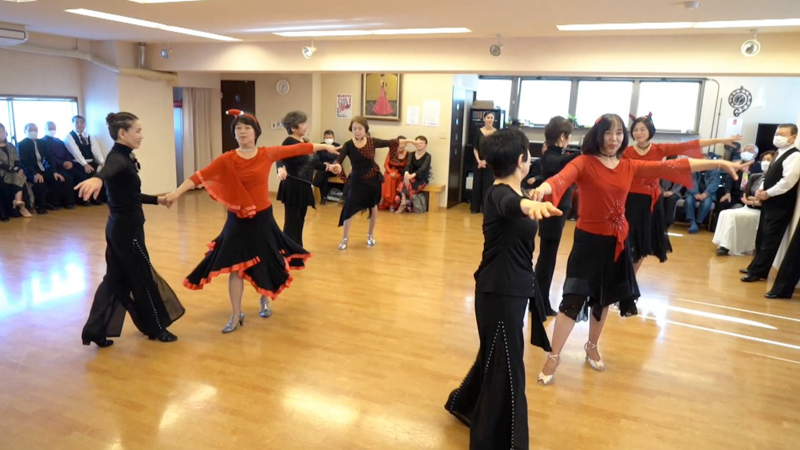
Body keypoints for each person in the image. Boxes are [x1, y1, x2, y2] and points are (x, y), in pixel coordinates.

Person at [532, 113, 750, 385]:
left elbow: (674, 165)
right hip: (587, 242)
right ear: (598, 135)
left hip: (616, 242)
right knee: (572, 300)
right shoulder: (584, 162)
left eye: (618, 133)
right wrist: (543, 188)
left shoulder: (628, 165)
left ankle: (592, 346)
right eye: (608, 133)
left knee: (603, 299)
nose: (614, 139)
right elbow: (561, 179)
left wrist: (718, 163)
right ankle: (554, 356)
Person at [165, 110, 338, 331]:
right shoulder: (227, 159)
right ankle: (236, 314)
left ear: (256, 132)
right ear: (234, 134)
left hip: (262, 218)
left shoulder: (266, 153)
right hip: (237, 220)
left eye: (247, 127)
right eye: (238, 128)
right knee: (235, 266)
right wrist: (176, 193)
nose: (242, 131)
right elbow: (200, 176)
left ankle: (264, 299)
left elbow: (299, 148)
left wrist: (326, 147)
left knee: (265, 261)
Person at [445, 128, 560, 450]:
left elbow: (518, 200)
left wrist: (531, 200)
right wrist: (528, 207)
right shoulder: (499, 194)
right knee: (508, 367)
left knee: (496, 356)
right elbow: (510, 205)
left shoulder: (518, 190)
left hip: (510, 288)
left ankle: (465, 405)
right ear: (522, 159)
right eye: (528, 154)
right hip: (499, 291)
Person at [75, 112, 184, 347]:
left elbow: (130, 195)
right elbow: (109, 168)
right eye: (138, 131)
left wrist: (157, 200)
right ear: (123, 133)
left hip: (119, 229)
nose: (141, 136)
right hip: (127, 232)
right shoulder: (118, 158)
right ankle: (155, 328)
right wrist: (98, 178)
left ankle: (95, 330)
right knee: (142, 278)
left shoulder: (123, 157)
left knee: (115, 279)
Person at [623, 114, 740, 270]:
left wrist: (719, 140)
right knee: (627, 239)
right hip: (630, 199)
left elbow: (690, 145)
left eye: (642, 129)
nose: (638, 133)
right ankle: (625, 275)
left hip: (651, 200)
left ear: (650, 130)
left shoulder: (659, 149)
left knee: (643, 240)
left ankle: (632, 277)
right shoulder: (625, 151)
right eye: (635, 130)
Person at [328, 116, 424, 250]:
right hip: (356, 181)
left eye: (360, 128)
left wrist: (411, 141)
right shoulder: (348, 145)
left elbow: (392, 142)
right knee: (349, 208)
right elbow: (338, 160)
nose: (357, 131)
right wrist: (336, 166)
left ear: (365, 129)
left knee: (373, 207)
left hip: (373, 179)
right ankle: (344, 238)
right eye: (354, 129)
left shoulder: (372, 142)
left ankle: (370, 235)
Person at [533, 116, 580, 317]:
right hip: (552, 213)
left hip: (557, 213)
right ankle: (538, 303)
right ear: (562, 137)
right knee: (546, 260)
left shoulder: (556, 155)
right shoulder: (550, 157)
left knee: (548, 259)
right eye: (568, 136)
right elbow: (561, 162)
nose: (569, 140)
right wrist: (583, 153)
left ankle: (539, 302)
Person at [741, 124, 799, 282]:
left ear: (793, 137)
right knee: (762, 236)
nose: (778, 137)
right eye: (777, 133)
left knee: (770, 239)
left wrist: (768, 193)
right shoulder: (779, 153)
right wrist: (761, 190)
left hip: (780, 204)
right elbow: (770, 176)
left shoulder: (795, 156)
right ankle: (755, 266)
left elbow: (788, 181)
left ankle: (758, 272)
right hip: (768, 202)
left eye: (782, 134)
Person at [275, 111, 336, 248]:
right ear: (293, 128)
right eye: (302, 124)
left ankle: (298, 249)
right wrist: (280, 168)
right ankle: (287, 250)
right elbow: (279, 156)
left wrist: (329, 167)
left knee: (300, 221)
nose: (305, 126)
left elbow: (314, 164)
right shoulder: (289, 142)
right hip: (293, 186)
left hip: (304, 186)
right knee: (292, 222)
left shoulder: (305, 142)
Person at [713, 152, 774, 256]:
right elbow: (746, 194)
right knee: (724, 213)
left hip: (760, 210)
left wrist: (753, 200)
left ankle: (726, 247)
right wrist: (754, 199)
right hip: (746, 205)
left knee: (732, 216)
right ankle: (723, 243)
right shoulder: (755, 176)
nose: (765, 162)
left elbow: (765, 200)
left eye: (768, 160)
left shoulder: (773, 180)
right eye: (763, 159)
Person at [18, 123, 74, 212]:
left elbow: (49, 157)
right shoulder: (21, 144)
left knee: (56, 179)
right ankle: (40, 206)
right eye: (31, 130)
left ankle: (53, 203)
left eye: (35, 130)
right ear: (25, 131)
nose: (33, 132)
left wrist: (54, 171)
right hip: (30, 171)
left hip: (43, 168)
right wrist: (35, 173)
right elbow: (24, 162)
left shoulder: (42, 143)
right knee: (40, 183)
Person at [43, 121, 90, 206]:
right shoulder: (42, 142)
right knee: (68, 178)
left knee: (81, 176)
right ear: (45, 129)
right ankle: (69, 202)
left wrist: (69, 162)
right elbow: (49, 157)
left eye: (54, 128)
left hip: (67, 165)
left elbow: (67, 152)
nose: (52, 130)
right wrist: (62, 163)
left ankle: (81, 199)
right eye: (50, 128)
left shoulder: (58, 140)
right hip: (54, 167)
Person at [0, 123, 32, 219]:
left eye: (3, 131)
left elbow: (17, 159)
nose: (2, 133)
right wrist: (12, 169)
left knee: (19, 175)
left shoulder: (10, 146)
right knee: (18, 176)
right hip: (2, 173)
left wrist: (18, 168)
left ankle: (18, 202)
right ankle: (20, 206)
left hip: (13, 172)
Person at [684, 153, 722, 233]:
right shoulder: (692, 170)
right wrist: (695, 193)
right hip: (693, 192)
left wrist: (706, 193)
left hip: (708, 193)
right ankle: (692, 222)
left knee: (707, 203)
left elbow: (714, 184)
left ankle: (698, 223)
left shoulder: (715, 171)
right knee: (688, 200)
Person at [395, 135, 431, 214]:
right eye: (417, 142)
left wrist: (411, 176)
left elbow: (423, 169)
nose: (419, 144)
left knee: (405, 183)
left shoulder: (428, 156)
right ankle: (404, 201)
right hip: (410, 177)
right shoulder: (411, 154)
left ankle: (403, 201)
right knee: (405, 179)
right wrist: (406, 173)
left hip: (420, 178)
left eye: (422, 143)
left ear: (426, 144)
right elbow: (407, 165)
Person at [470, 112, 497, 214]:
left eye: (491, 117)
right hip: (478, 162)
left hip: (490, 162)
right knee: (477, 183)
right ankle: (475, 208)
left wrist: (486, 161)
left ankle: (486, 208)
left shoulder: (496, 133)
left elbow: (495, 149)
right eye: (488, 117)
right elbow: (475, 147)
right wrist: (479, 160)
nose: (490, 119)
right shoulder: (478, 131)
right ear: (484, 119)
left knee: (488, 184)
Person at [313, 130, 344, 205]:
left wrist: (330, 165)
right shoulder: (321, 146)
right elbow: (317, 159)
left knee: (323, 173)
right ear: (324, 138)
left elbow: (338, 159)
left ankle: (321, 194)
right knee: (324, 175)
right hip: (324, 168)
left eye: (330, 137)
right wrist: (324, 164)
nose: (329, 139)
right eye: (327, 138)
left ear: (333, 138)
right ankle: (323, 197)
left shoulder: (337, 146)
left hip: (334, 169)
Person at [379, 135, 408, 211]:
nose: (400, 145)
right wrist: (391, 172)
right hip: (389, 171)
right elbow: (385, 164)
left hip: (399, 173)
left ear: (406, 144)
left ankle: (387, 200)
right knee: (389, 177)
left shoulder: (408, 153)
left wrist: (398, 174)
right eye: (399, 143)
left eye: (403, 143)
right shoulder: (391, 152)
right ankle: (389, 202)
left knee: (391, 179)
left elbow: (407, 167)